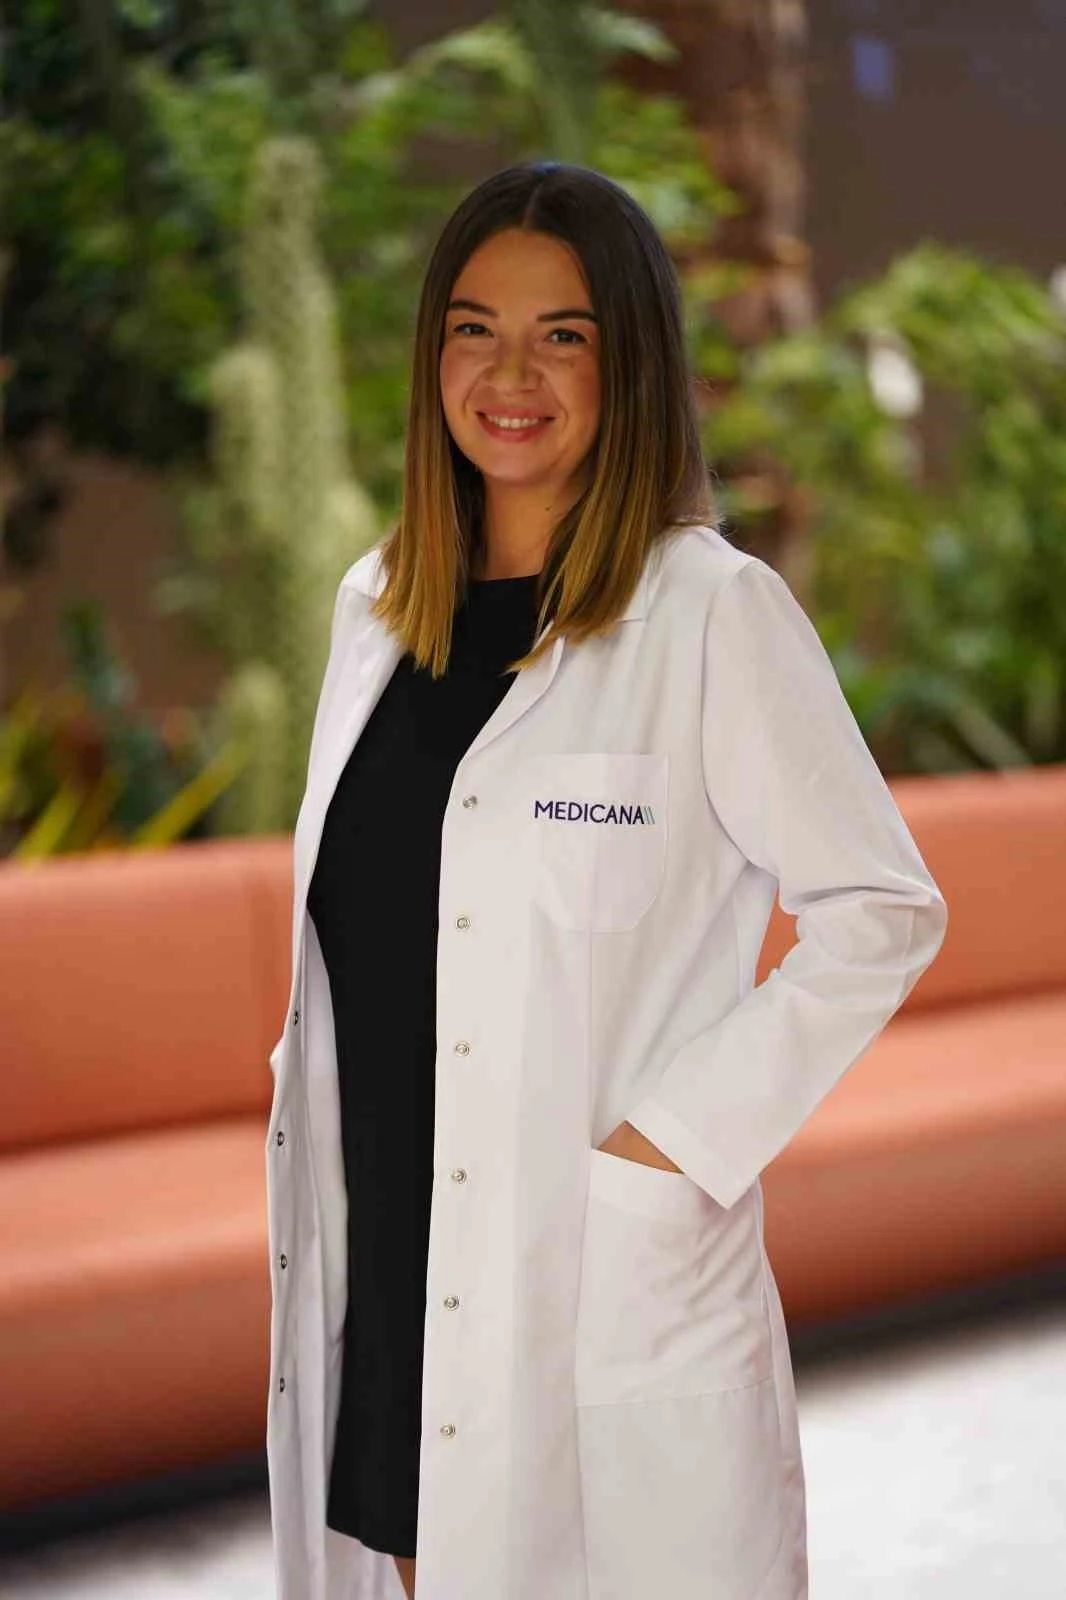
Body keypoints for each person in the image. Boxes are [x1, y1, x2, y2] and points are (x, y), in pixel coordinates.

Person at [264, 160, 948, 1600]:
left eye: (561, 336)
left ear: (627, 363)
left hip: (590, 1269)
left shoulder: (708, 613)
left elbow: (880, 911)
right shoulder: (374, 610)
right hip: (387, 1263)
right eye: (473, 329)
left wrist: (671, 1148)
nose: (508, 374)